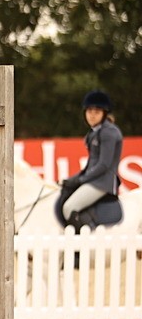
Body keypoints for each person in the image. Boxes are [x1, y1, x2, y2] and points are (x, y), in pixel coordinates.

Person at [60, 90, 123, 230]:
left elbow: (104, 165)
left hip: (103, 182)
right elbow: (90, 166)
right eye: (89, 111)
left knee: (70, 207)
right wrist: (72, 179)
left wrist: (81, 180)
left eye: (97, 111)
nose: (92, 115)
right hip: (94, 180)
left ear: (104, 113)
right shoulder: (94, 133)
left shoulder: (109, 132)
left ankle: (82, 248)